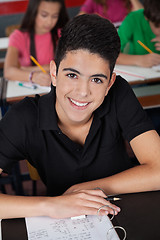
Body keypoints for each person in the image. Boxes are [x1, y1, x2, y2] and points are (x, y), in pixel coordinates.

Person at [0, 14, 160, 220]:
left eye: (96, 79)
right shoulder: (25, 117)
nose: (83, 92)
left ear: (109, 83)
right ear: (54, 73)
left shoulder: (118, 93)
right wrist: (51, 205)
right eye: (72, 75)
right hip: (66, 222)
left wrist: (85, 189)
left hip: (124, 212)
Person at [4, 0, 69, 86]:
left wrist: (26, 69)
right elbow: (8, 72)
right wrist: (33, 76)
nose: (49, 22)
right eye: (44, 15)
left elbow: (68, 65)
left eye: (54, 16)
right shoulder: (18, 36)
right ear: (33, 13)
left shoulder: (61, 34)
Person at [117, 0, 160, 67]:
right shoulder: (133, 19)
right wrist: (139, 60)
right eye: (157, 25)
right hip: (141, 74)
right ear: (146, 17)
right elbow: (108, 54)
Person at [79, 0, 143, 26]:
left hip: (126, 36)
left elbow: (142, 16)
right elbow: (80, 18)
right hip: (106, 35)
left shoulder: (127, 1)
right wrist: (95, 19)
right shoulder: (93, 1)